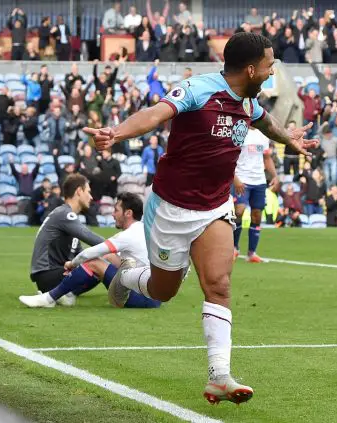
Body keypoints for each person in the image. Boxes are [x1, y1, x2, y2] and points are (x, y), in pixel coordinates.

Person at [83, 32, 316, 405]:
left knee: (219, 285)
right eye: (269, 66)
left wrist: (290, 140)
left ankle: (219, 376)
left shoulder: (248, 102)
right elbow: (154, 114)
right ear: (251, 69)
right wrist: (116, 133)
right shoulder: (198, 89)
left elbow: (266, 122)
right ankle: (124, 275)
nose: (272, 73)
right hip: (170, 209)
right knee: (164, 291)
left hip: (215, 207)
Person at [19, 193, 160, 309]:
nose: (112, 214)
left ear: (128, 213)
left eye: (116, 210)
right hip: (153, 296)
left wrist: (72, 264)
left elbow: (89, 253)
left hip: (141, 297)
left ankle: (49, 298)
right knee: (107, 257)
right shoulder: (143, 230)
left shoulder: (128, 235)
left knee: (94, 262)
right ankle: (67, 295)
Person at [29, 174, 105, 297]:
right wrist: (117, 247)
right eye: (88, 192)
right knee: (99, 263)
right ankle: (122, 293)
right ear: (79, 191)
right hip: (48, 275)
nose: (91, 197)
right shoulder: (64, 214)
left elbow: (79, 253)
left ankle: (65, 295)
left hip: (55, 274)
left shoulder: (68, 217)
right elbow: (91, 237)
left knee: (101, 261)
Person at [232, 126, 278, 263]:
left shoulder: (263, 134)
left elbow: (267, 158)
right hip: (242, 179)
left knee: (257, 215)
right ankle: (234, 248)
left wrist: (275, 175)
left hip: (259, 181)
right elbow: (230, 158)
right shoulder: (239, 131)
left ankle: (251, 253)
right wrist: (235, 179)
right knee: (239, 211)